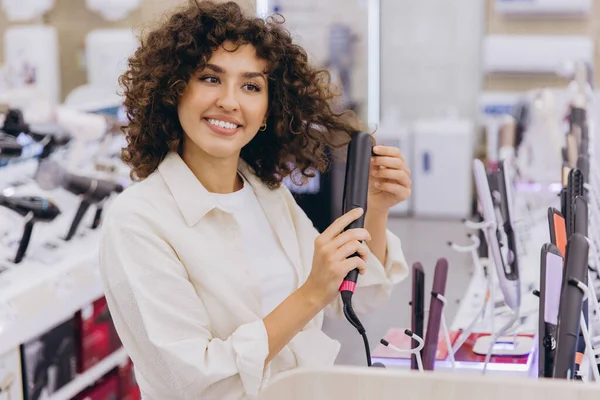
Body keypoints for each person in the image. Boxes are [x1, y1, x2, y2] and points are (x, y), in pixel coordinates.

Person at [99, 1, 411, 399]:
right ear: (174, 90)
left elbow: (355, 299)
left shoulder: (267, 195)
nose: (230, 101)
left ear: (267, 110)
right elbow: (192, 381)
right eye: (210, 79)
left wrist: (376, 209)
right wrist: (309, 295)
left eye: (251, 86)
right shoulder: (138, 220)